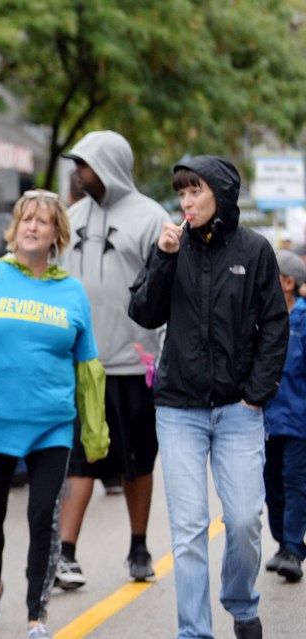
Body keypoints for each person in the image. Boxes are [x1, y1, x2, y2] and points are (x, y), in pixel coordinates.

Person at [128, 156, 288, 639]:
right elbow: (143, 312)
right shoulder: (172, 246)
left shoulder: (256, 250)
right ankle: (194, 631)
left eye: (194, 190)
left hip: (240, 409)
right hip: (179, 410)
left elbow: (275, 326)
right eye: (181, 193)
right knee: (190, 531)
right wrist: (162, 258)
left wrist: (257, 395)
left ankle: (241, 604)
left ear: (219, 191)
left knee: (243, 522)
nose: (186, 201)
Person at [0, 190, 108, 638]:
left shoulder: (71, 292)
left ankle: (37, 615)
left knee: (41, 516)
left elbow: (89, 370)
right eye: (25, 219)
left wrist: (95, 435)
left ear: (56, 234)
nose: (32, 226)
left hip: (52, 424)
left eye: (42, 221)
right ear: (15, 228)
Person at [57, 130, 171, 588]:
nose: (78, 173)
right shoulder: (72, 215)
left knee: (137, 461)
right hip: (83, 362)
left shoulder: (151, 217)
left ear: (107, 166)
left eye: (84, 164)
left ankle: (139, 547)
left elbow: (166, 290)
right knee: (81, 461)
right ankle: (65, 555)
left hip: (134, 364)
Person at [262, 249, 306, 583]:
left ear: (288, 283)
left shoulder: (303, 320)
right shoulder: (261, 317)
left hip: (298, 422)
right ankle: (282, 543)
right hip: (266, 421)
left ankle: (293, 548)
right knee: (271, 486)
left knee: (294, 483)